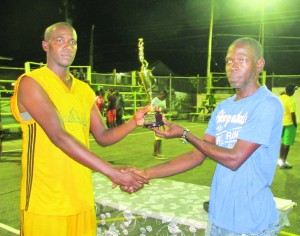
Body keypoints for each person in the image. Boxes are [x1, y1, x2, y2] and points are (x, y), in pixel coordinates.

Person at [129, 38, 283, 235]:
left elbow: (234, 159)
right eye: (229, 61)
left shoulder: (266, 104)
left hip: (251, 222)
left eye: (242, 60)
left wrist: (184, 133)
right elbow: (197, 155)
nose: (233, 66)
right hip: (219, 216)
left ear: (259, 64)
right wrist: (145, 174)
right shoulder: (223, 107)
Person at [10, 22, 149, 236]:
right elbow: (59, 136)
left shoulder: (84, 90)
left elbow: (103, 136)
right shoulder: (31, 82)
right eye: (60, 40)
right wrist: (112, 172)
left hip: (81, 197)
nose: (68, 46)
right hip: (46, 200)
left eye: (73, 42)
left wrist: (134, 122)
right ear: (45, 46)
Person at [278, 83, 298, 169]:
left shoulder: (280, 98)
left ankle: (280, 160)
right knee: (287, 144)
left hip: (280, 124)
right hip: (289, 124)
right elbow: (293, 114)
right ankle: (283, 162)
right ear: (292, 91)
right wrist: (295, 124)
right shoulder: (291, 101)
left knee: (283, 142)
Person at [151, 90, 168, 159]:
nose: (164, 99)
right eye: (163, 97)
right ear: (160, 94)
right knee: (157, 137)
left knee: (160, 136)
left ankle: (157, 153)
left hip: (160, 118)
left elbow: (165, 110)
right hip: (154, 118)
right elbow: (153, 110)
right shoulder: (154, 100)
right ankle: (156, 154)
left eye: (165, 97)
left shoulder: (163, 101)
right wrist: (161, 110)